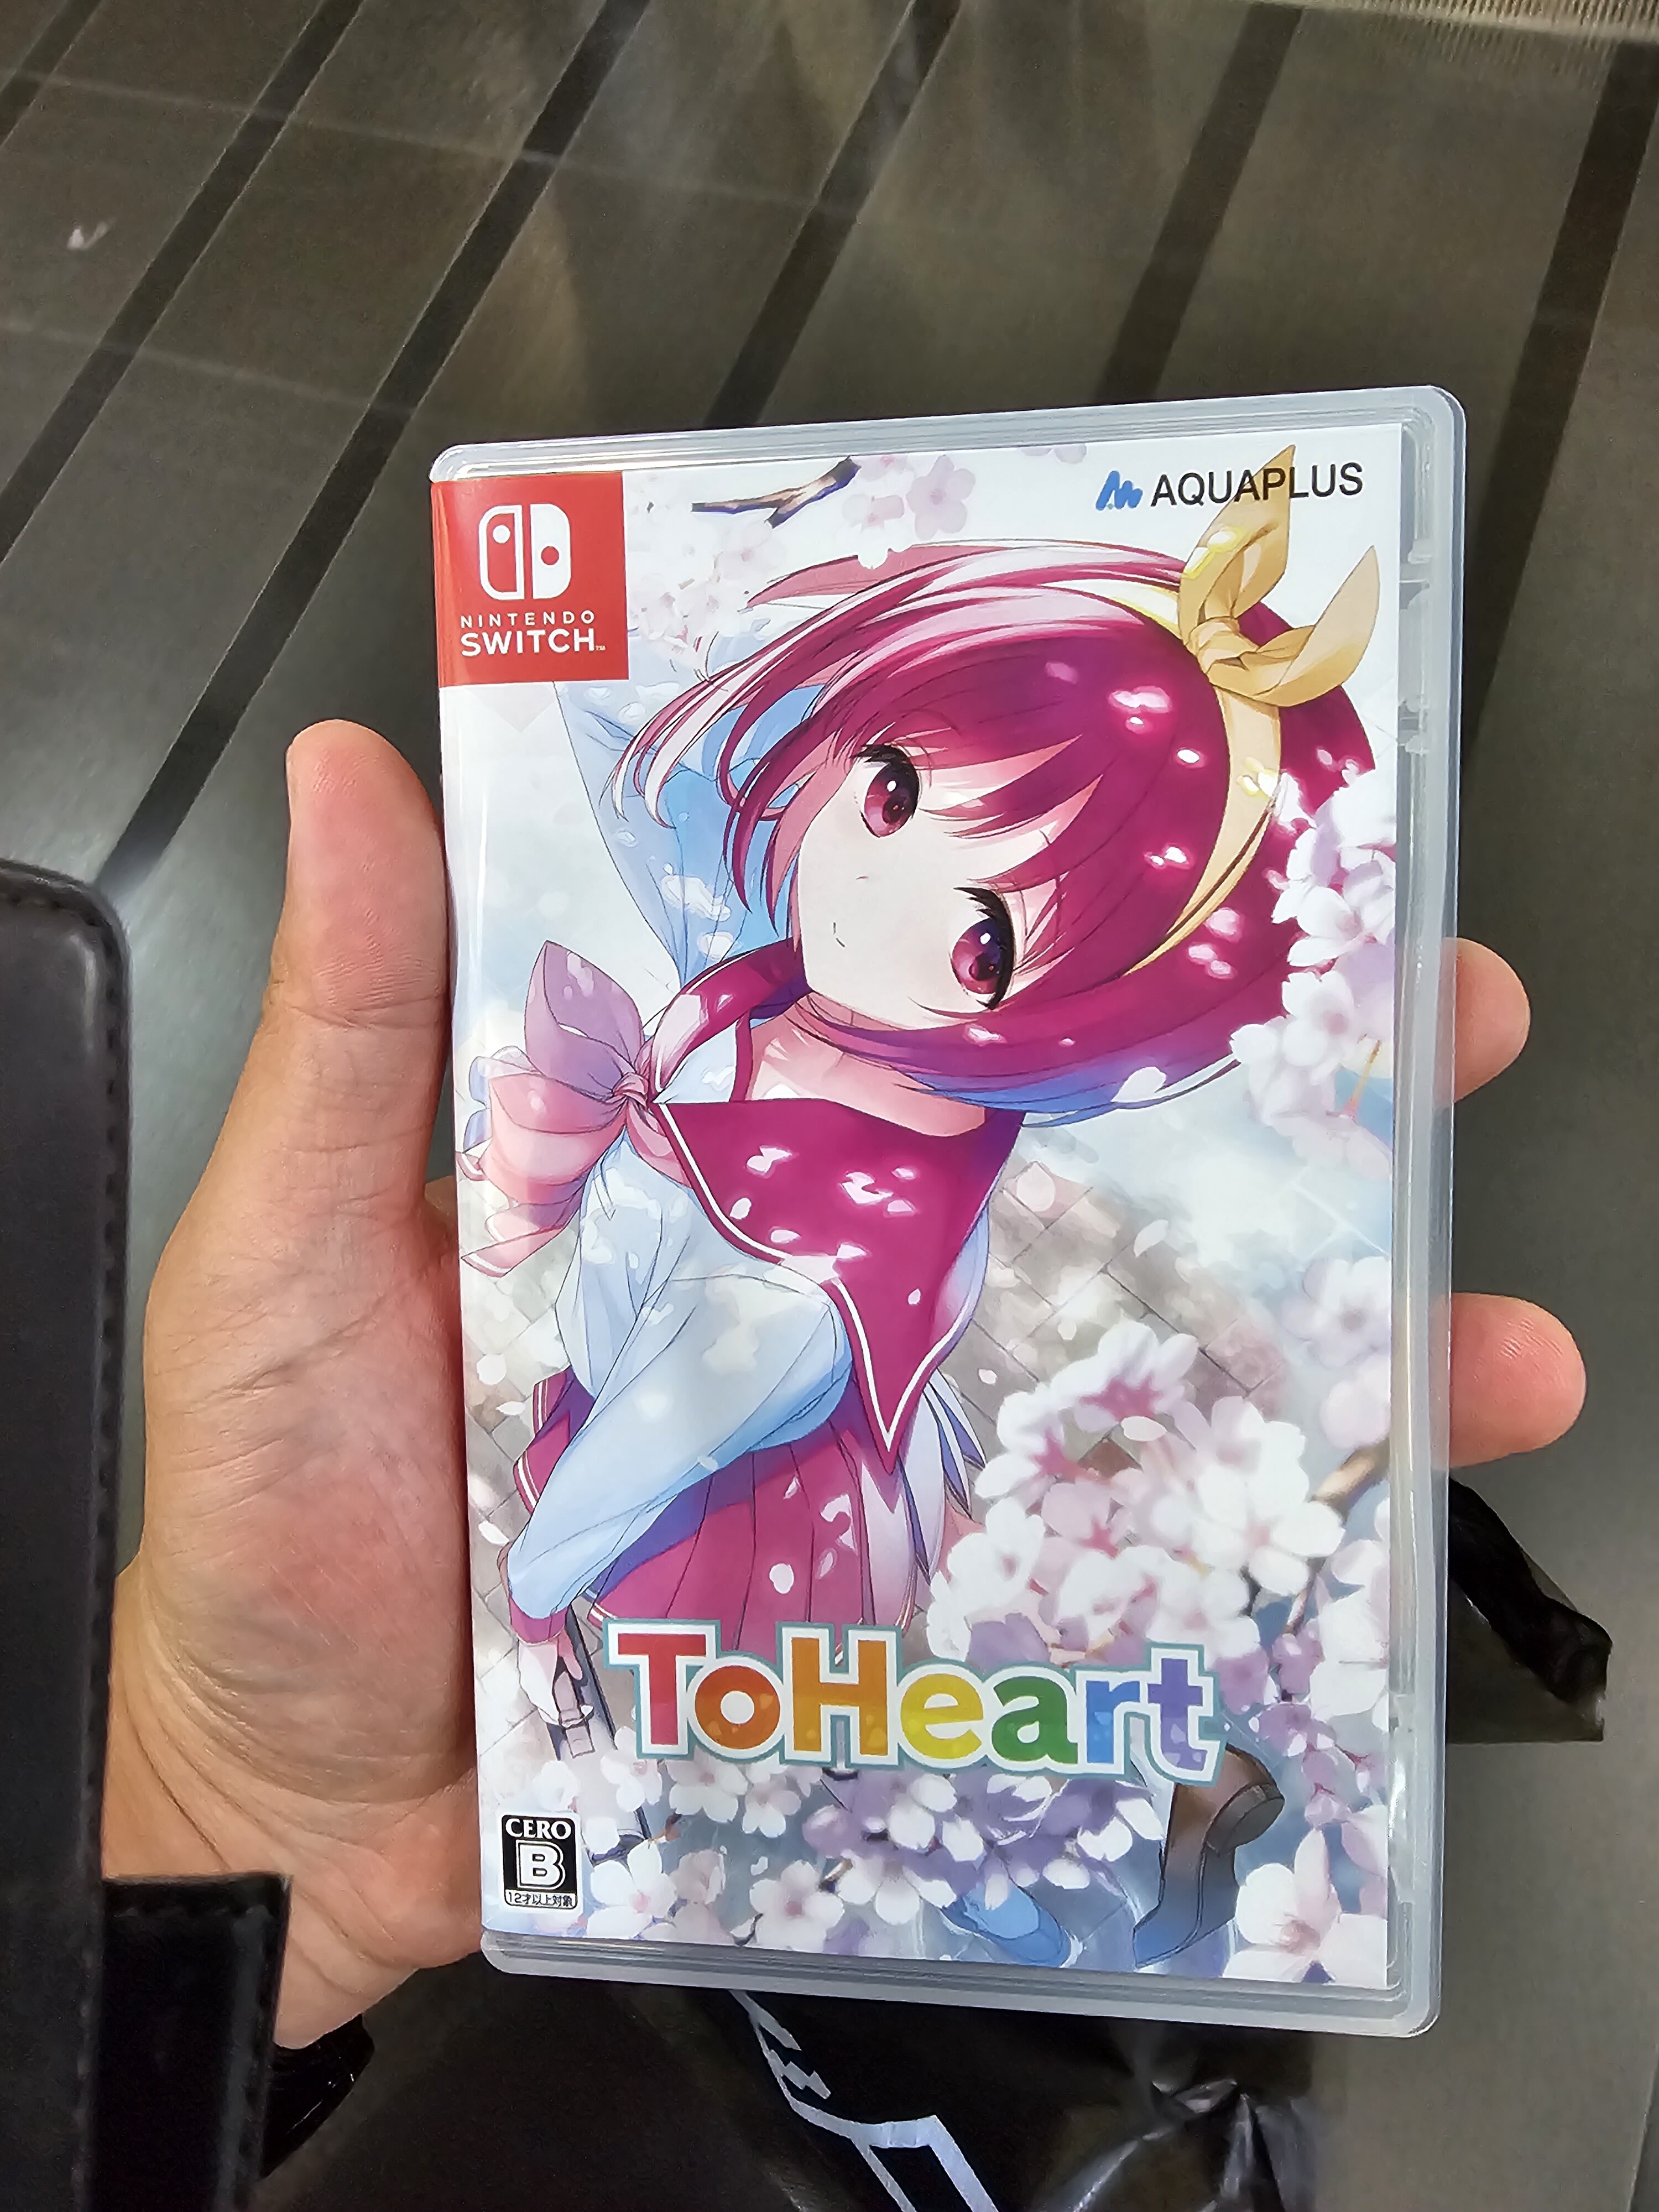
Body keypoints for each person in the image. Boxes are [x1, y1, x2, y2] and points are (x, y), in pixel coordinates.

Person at [101, 719, 1585, 2049]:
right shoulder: (786, 1018)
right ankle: (1101, 1833)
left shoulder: (802, 1284)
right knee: (879, 1752)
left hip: (734, 1529)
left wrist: (538, 1595)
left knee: (861, 1776)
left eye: (985, 946)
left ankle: (1086, 1879)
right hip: (738, 1466)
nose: (873, 891)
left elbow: (626, 1470)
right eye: (890, 794)